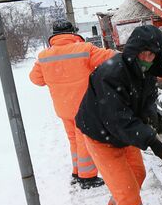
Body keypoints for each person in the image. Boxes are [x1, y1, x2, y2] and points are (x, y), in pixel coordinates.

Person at [75, 25, 162, 205]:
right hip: (100, 135)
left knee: (138, 174)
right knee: (126, 187)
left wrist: (151, 115)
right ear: (134, 49)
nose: (147, 59)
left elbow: (147, 96)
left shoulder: (147, 72)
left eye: (152, 54)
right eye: (144, 53)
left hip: (121, 133)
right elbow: (117, 119)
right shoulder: (111, 74)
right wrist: (149, 139)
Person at [29, 20, 114, 189]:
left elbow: (36, 79)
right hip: (83, 106)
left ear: (53, 35)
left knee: (73, 140)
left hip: (63, 107)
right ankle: (87, 177)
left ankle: (77, 171)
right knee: (84, 140)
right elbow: (110, 58)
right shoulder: (84, 49)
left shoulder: (44, 56)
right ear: (73, 32)